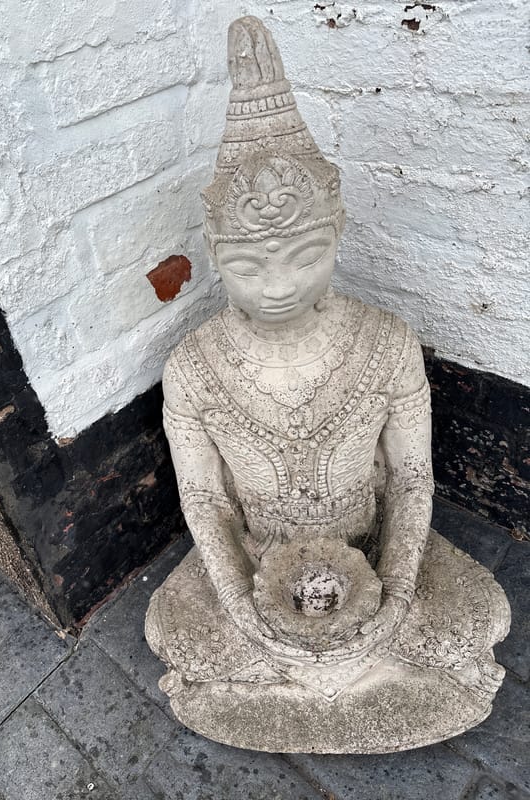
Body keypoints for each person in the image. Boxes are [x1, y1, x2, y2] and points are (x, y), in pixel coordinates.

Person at [145, 16, 510, 753]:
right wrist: (241, 606)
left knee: (482, 619)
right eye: (250, 265)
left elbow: (410, 479)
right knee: (172, 631)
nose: (278, 285)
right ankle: (332, 678)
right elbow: (207, 498)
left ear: (336, 234)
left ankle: (307, 683)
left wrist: (398, 585)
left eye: (304, 254)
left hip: (372, 550)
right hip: (254, 559)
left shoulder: (387, 343)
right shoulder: (193, 367)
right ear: (217, 254)